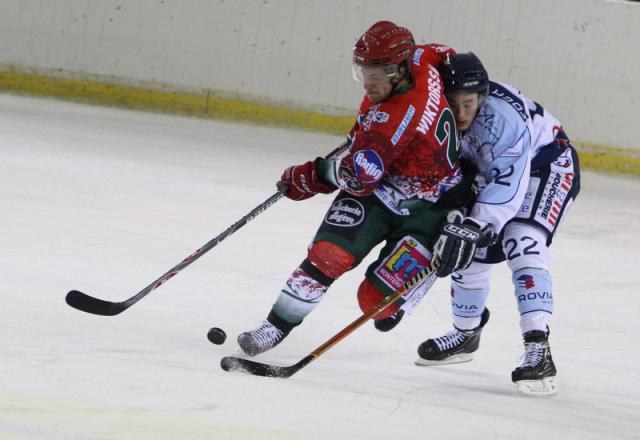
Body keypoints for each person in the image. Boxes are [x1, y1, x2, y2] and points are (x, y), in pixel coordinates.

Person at [236, 21, 476, 357]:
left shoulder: (396, 117)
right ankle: (273, 327)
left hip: (430, 208)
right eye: (364, 70)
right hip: (381, 192)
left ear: (402, 67)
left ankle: (411, 290)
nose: (369, 81)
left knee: (376, 303)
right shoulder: (424, 58)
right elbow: (449, 56)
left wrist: (310, 176)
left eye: (380, 72)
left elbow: (358, 175)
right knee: (328, 255)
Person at [414, 52, 581, 397]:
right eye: (454, 103)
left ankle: (538, 346)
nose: (461, 114)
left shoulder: (502, 121)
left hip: (544, 167)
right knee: (465, 249)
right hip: (492, 172)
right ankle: (465, 333)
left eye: (470, 104)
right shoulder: (434, 112)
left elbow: (509, 182)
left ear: (483, 97)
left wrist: (479, 223)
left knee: (522, 241)